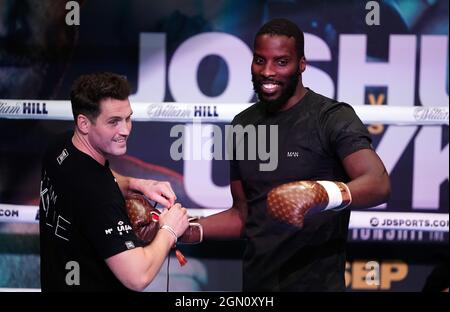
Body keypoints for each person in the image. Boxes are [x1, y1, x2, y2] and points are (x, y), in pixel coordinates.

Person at [197, 18, 391, 291]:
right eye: (259, 60)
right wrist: (186, 228)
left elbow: (379, 183)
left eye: (281, 62)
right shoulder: (243, 124)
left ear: (301, 64)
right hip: (256, 286)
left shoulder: (331, 117)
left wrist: (320, 194)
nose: (267, 71)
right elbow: (243, 215)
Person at [39, 72, 189, 292]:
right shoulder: (99, 194)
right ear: (84, 123)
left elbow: (94, 180)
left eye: (128, 118)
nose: (125, 130)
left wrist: (134, 183)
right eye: (114, 122)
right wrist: (169, 230)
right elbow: (138, 275)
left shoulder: (60, 147)